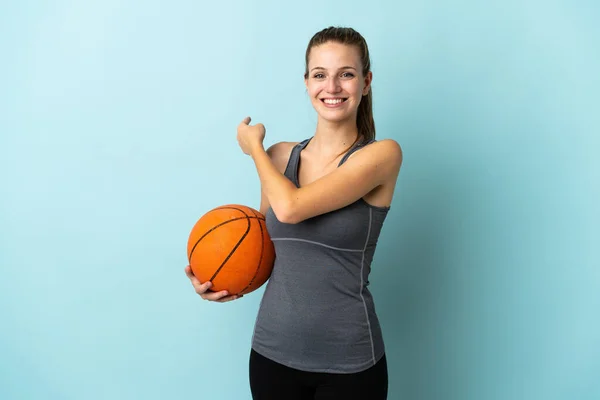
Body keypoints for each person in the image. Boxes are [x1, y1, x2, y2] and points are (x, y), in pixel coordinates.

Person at [185, 26, 402, 400]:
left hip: (349, 365)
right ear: (306, 83)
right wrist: (221, 280)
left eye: (346, 74)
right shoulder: (280, 158)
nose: (331, 87)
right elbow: (266, 251)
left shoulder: (382, 156)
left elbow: (290, 209)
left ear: (366, 82)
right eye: (320, 75)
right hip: (272, 355)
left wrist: (253, 147)